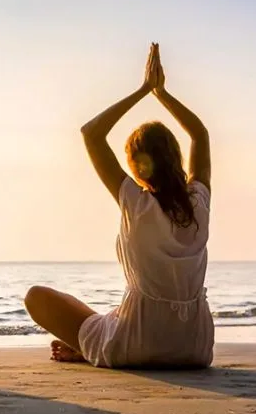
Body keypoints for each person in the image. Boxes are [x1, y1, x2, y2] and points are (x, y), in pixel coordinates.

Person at [24, 43, 214, 368]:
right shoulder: (199, 202)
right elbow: (200, 134)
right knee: (108, 317)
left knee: (36, 297)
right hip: (195, 348)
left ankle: (88, 348)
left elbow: (91, 133)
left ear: (138, 167)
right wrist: (163, 94)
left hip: (135, 345)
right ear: (175, 157)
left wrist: (144, 89)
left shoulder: (135, 201)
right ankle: (88, 346)